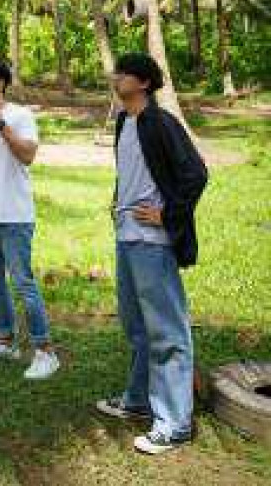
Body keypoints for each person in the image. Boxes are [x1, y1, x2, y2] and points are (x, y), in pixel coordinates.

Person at [96, 53, 208, 455]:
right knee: (136, 326)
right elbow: (130, 171)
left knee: (166, 331)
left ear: (143, 82)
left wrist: (168, 214)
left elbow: (196, 174)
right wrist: (116, 199)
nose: (116, 77)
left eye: (124, 72)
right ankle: (139, 399)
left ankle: (175, 422)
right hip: (127, 237)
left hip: (152, 241)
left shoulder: (160, 122)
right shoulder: (126, 120)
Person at [0, 57, 59, 380]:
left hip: (14, 215)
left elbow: (28, 156)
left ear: (1, 83)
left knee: (22, 282)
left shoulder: (20, 115)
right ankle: (5, 340)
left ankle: (45, 351)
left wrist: (0, 124)